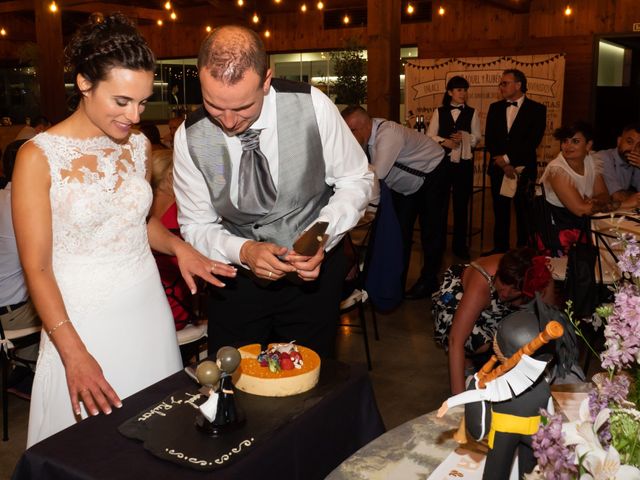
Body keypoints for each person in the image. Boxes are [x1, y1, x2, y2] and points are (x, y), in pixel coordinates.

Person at [12, 13, 236, 447]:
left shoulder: (136, 146)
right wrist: (73, 353)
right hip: (79, 319)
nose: (134, 116)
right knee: (90, 447)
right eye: (121, 101)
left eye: (142, 100)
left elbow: (137, 221)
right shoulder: (37, 157)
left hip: (146, 307)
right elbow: (36, 268)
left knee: (159, 431)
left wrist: (177, 247)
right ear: (83, 83)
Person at [173, 26, 373, 358]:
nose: (228, 121)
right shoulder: (191, 137)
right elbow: (196, 225)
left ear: (266, 80)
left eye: (242, 107)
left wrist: (320, 236)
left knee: (308, 381)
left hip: (313, 279)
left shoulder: (313, 106)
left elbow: (357, 180)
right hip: (236, 282)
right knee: (233, 382)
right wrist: (243, 251)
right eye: (214, 105)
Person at [341, 105, 447, 299]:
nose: (349, 136)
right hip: (407, 186)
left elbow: (378, 173)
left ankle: (429, 280)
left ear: (365, 125)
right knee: (399, 233)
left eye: (352, 131)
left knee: (431, 231)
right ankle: (394, 285)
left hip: (433, 173)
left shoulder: (388, 133)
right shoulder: (366, 138)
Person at [432, 247, 553, 395]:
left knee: (523, 331)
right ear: (499, 273)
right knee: (480, 342)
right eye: (503, 283)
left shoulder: (539, 279)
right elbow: (455, 340)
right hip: (457, 295)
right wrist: (459, 401)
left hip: (493, 306)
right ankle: (468, 364)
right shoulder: (481, 282)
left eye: (515, 289)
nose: (506, 292)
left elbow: (549, 328)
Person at [484, 69, 547, 255]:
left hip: (524, 168)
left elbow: (532, 141)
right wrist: (502, 163)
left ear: (518, 85)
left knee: (524, 212)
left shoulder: (537, 109)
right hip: (498, 168)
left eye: (505, 83)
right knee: (500, 211)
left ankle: (523, 251)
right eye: (501, 83)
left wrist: (508, 159)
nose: (501, 86)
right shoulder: (495, 108)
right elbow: (490, 140)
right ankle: (500, 249)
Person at [0, 139, 41, 400]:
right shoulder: (25, 204)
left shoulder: (4, 196)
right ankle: (29, 376)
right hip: (9, 316)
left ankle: (22, 370)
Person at [540, 121, 616, 255]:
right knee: (610, 241)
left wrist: (595, 202)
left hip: (579, 224)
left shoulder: (591, 160)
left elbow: (603, 194)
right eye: (565, 141)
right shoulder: (557, 169)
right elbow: (580, 210)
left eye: (575, 141)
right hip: (557, 231)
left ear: (588, 145)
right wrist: (616, 204)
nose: (567, 146)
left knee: (616, 238)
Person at [426, 76, 481, 260]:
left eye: (465, 90)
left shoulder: (472, 112)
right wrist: (445, 141)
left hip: (463, 166)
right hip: (442, 164)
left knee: (461, 205)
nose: (463, 94)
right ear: (450, 92)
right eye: (459, 90)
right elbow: (430, 136)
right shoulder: (439, 111)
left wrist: (466, 137)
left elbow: (477, 137)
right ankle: (438, 243)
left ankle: (460, 245)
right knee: (440, 206)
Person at [150, 149, 192, 331]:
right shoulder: (181, 212)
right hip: (173, 304)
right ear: (170, 176)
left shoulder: (141, 208)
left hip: (151, 302)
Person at [597, 122, 640, 209]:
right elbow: (617, 197)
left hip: (615, 211)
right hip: (593, 214)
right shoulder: (603, 157)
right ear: (619, 141)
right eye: (629, 142)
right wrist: (632, 196)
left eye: (639, 146)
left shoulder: (633, 162)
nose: (633, 149)